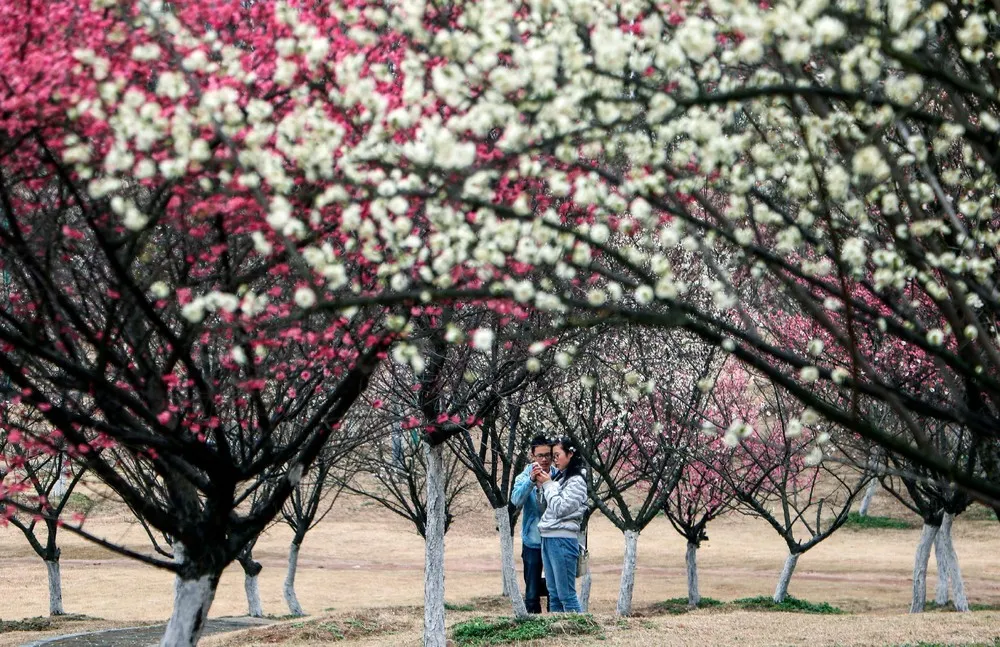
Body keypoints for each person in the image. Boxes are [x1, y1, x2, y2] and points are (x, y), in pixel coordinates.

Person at [537, 436, 587, 613]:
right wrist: (543, 485)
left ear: (570, 454)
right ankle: (557, 633)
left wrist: (549, 485)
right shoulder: (560, 478)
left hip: (563, 539)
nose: (554, 459)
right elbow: (547, 507)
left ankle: (578, 635)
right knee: (554, 593)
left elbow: (560, 508)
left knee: (566, 594)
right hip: (549, 537)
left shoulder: (577, 481)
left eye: (557, 455)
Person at [510, 435, 555, 614]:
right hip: (532, 540)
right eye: (540, 455)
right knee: (531, 592)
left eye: (548, 455)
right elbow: (516, 500)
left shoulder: (558, 474)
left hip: (554, 538)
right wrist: (531, 481)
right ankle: (533, 627)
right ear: (533, 455)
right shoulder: (524, 476)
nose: (544, 459)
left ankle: (555, 624)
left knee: (555, 590)